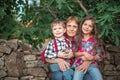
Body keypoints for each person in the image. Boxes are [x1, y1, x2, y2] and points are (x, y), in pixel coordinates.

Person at [73, 16, 105, 80]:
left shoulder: (95, 39)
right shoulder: (76, 38)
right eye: (85, 24)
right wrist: (84, 53)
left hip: (92, 65)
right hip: (79, 65)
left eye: (90, 26)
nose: (87, 27)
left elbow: (100, 55)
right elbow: (74, 53)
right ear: (81, 25)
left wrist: (91, 59)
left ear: (93, 29)